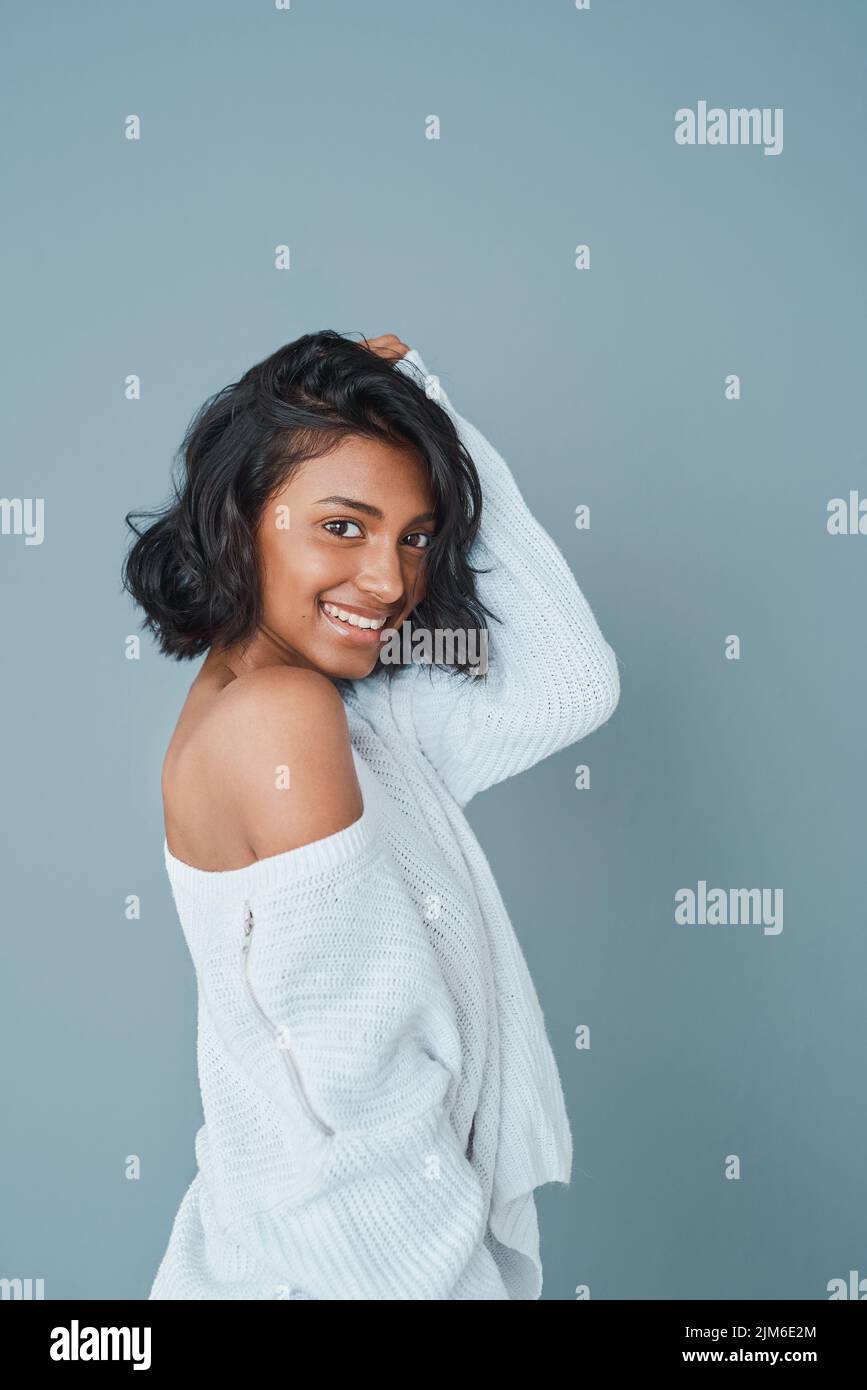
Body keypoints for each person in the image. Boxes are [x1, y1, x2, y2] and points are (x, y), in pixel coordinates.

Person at [122, 330, 621, 1299]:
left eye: (416, 535)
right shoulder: (283, 721)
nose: (391, 583)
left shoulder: (337, 710)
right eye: (342, 526)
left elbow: (571, 685)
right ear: (244, 517)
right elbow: (374, 1112)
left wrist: (424, 403)